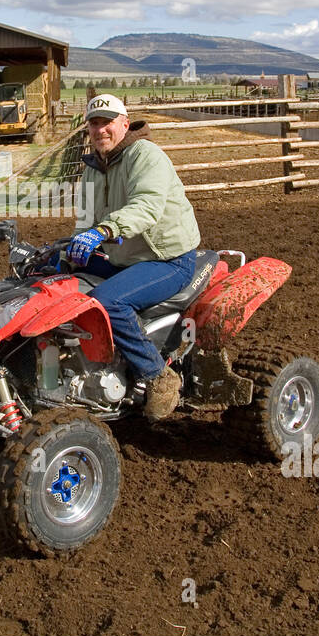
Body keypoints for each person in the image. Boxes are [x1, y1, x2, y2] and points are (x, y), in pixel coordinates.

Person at [70, 94, 201, 419]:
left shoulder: (145, 155)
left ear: (124, 124)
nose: (100, 129)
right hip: (123, 258)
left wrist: (102, 232)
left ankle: (159, 376)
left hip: (167, 259)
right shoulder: (92, 169)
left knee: (107, 302)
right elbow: (85, 222)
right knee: (52, 276)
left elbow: (146, 207)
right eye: (94, 123)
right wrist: (70, 248)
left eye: (107, 122)